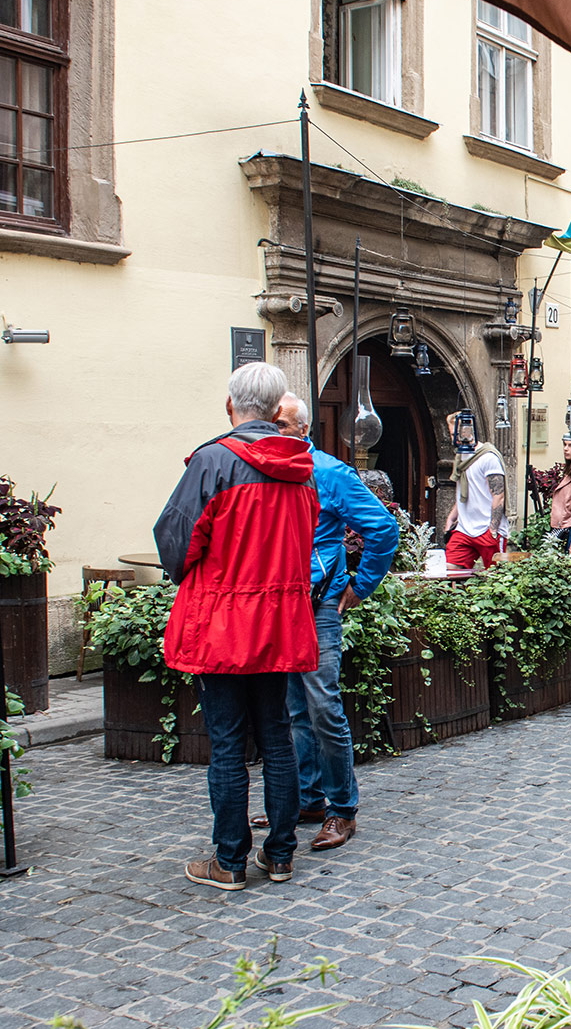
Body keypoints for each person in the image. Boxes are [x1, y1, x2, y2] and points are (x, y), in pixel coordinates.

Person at [153, 362, 318, 890]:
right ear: (276, 412)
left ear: (231, 407)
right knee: (277, 737)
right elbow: (305, 538)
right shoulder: (301, 468)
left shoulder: (213, 463)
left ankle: (229, 861)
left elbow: (176, 541)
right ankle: (282, 854)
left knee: (227, 743)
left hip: (224, 621)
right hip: (278, 621)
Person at [245, 395, 399, 852]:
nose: (272, 430)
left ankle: (342, 809)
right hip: (282, 606)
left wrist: (359, 586)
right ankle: (308, 798)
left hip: (317, 607)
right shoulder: (269, 470)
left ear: (300, 429)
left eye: (280, 424)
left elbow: (383, 528)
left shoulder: (329, 472)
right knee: (295, 709)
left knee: (323, 708)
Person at [443, 410, 508, 568]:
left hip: (487, 528)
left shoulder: (488, 457)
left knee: (496, 577)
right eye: (451, 435)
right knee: (451, 570)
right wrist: (450, 519)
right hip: (465, 529)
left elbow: (498, 496)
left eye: (455, 434)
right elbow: (465, 493)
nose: (453, 439)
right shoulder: (460, 457)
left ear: (467, 430)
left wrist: (492, 530)